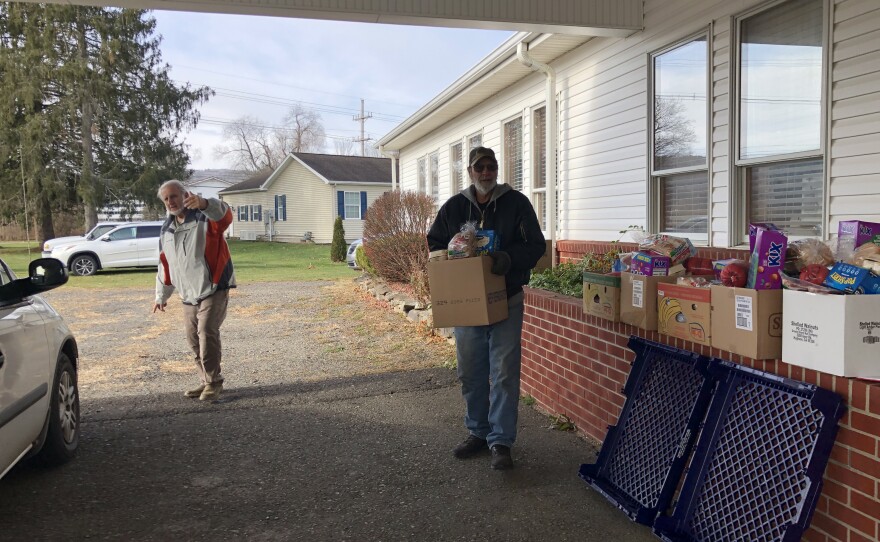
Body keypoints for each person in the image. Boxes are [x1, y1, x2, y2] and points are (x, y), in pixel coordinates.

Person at [427, 147, 546, 470]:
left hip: (505, 299)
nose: (485, 172)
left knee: (504, 372)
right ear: (470, 171)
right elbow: (435, 243)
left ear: (496, 170)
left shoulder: (517, 203)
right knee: (471, 372)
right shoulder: (454, 207)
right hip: (467, 305)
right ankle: (477, 432)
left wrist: (508, 259)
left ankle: (501, 441)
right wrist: (455, 256)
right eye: (479, 167)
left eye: (490, 166)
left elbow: (536, 245)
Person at [152, 180, 236, 402]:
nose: (171, 201)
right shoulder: (166, 229)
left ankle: (214, 382)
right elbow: (165, 264)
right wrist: (161, 295)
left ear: (185, 195)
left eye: (174, 196)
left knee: (206, 332)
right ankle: (206, 380)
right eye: (166, 198)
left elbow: (225, 217)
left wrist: (205, 203)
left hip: (213, 287)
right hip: (188, 294)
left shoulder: (204, 216)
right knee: (193, 340)